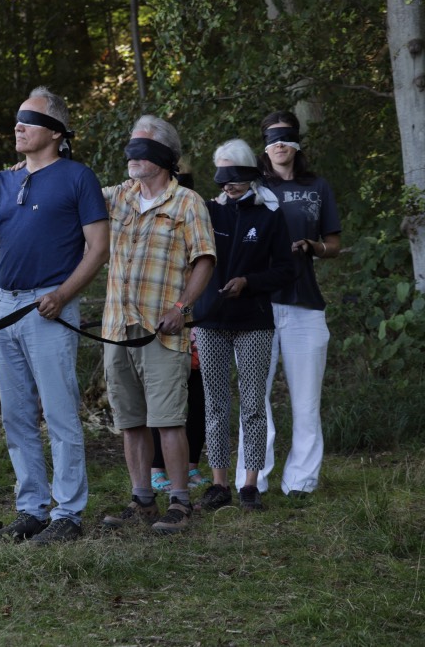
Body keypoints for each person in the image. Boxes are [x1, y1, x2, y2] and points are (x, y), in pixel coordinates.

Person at [0, 87, 110, 545]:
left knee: (59, 413)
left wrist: (62, 295)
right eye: (17, 118)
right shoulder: (2, 181)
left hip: (50, 306)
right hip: (6, 304)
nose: (16, 126)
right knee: (16, 415)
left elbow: (98, 248)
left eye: (28, 119)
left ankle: (69, 514)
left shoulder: (79, 178)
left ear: (56, 132)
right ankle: (32, 508)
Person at [100, 115, 216, 534]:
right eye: (129, 147)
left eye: (141, 148)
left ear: (164, 156)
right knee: (130, 420)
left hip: (164, 333)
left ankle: (180, 503)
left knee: (168, 418)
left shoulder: (187, 202)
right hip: (117, 329)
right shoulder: (116, 198)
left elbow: (204, 258)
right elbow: (70, 202)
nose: (131, 156)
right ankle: (142, 500)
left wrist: (182, 307)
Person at [234, 111, 341, 498]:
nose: (279, 143)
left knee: (306, 400)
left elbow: (334, 244)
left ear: (296, 141)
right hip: (257, 304)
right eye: (271, 137)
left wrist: (314, 247)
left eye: (285, 136)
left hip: (304, 303)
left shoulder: (317, 187)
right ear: (264, 143)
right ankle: (253, 480)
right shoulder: (250, 186)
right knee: (254, 397)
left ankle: (301, 483)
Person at [192, 139, 295, 512]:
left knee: (253, 403)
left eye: (234, 176)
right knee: (215, 404)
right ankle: (218, 484)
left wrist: (249, 282)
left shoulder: (268, 215)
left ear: (249, 173)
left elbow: (285, 268)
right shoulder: (204, 211)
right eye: (221, 177)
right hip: (209, 320)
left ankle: (250, 484)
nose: (227, 185)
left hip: (254, 321)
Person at [151, 331, 208, 492]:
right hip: (166, 334)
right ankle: (157, 470)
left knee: (200, 403)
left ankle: (191, 467)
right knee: (162, 402)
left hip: (199, 333)